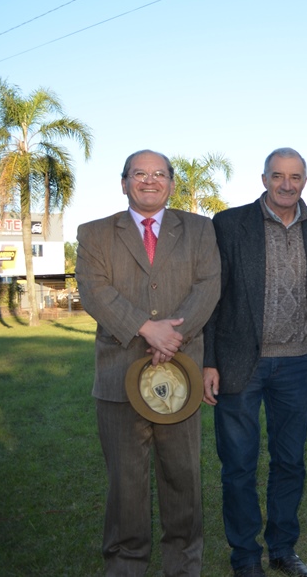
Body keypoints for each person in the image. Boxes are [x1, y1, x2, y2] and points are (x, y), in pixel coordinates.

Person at [75, 149, 221, 576]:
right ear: (124, 183)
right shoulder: (95, 234)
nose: (150, 180)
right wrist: (145, 328)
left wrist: (171, 337)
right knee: (126, 483)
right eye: (140, 174)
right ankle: (125, 564)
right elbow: (94, 291)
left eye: (159, 174)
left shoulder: (199, 230)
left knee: (182, 479)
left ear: (172, 183)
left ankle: (183, 565)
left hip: (182, 377)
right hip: (119, 375)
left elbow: (208, 286)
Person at [203, 148, 307, 577]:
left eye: (295, 177)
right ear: (263, 179)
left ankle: (282, 548)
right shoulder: (230, 224)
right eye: (278, 175)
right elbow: (212, 299)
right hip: (241, 363)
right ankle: (244, 556)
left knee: (290, 462)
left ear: (305, 182)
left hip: (296, 365)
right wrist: (209, 360)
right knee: (238, 465)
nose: (286, 184)